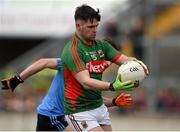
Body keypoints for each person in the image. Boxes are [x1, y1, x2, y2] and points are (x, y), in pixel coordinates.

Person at [60, 4, 145, 131]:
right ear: (78, 25)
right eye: (91, 27)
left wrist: (138, 64)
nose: (95, 30)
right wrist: (112, 86)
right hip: (79, 110)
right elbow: (86, 82)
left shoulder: (101, 46)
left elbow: (124, 60)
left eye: (96, 26)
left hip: (99, 107)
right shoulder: (73, 51)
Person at [1, 58, 133, 131]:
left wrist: (114, 102)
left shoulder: (93, 78)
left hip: (62, 116)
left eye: (111, 61)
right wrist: (17, 79)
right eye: (107, 59)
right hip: (53, 116)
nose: (109, 64)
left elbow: (94, 102)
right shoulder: (75, 63)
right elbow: (43, 62)